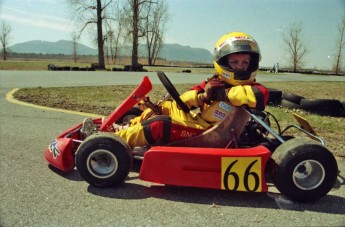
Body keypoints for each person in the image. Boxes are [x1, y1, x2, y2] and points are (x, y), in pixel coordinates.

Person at [83, 31, 269, 150]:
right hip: (198, 124)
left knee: (159, 125)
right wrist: (203, 95)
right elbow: (185, 99)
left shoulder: (252, 88)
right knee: (162, 108)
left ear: (252, 64)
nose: (240, 68)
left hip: (210, 135)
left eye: (245, 63)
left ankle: (110, 140)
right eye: (234, 62)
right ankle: (125, 129)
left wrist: (226, 95)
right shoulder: (215, 83)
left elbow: (260, 96)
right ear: (223, 63)